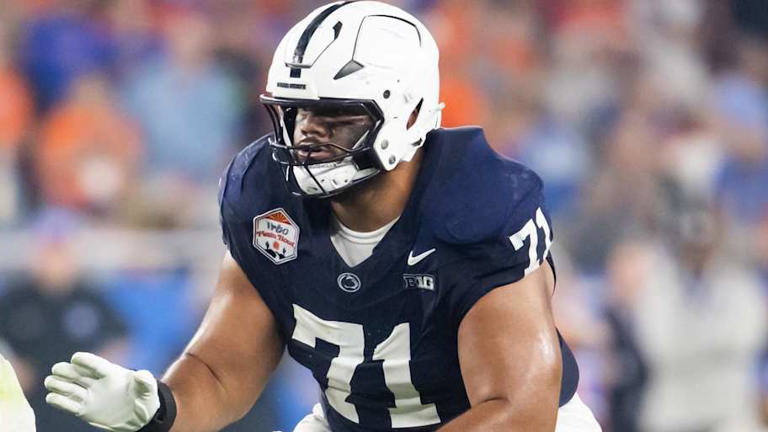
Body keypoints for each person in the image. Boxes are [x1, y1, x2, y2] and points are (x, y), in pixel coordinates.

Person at [43, 2, 601, 431]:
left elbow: (517, 410)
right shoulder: (266, 194)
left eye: (335, 116)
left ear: (409, 116)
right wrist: (160, 409)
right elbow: (220, 370)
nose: (308, 134)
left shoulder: (476, 206)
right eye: (298, 113)